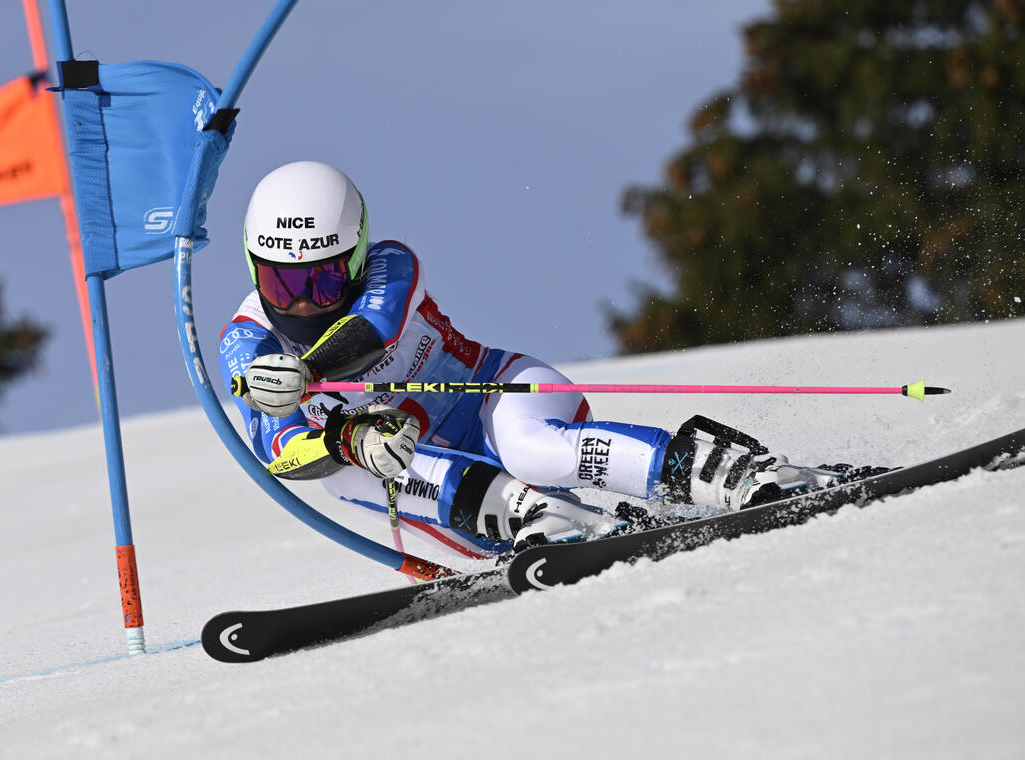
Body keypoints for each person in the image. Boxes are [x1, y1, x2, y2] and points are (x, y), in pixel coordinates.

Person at [219, 161, 868, 559]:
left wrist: (306, 371)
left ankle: (732, 472)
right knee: (346, 471)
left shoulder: (391, 264)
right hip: (440, 479)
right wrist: (346, 434)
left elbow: (373, 329)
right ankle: (536, 518)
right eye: (285, 283)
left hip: (498, 395)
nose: (305, 304)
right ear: (254, 266)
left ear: (356, 256)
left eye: (325, 281)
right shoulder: (246, 341)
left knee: (531, 448)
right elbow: (278, 452)